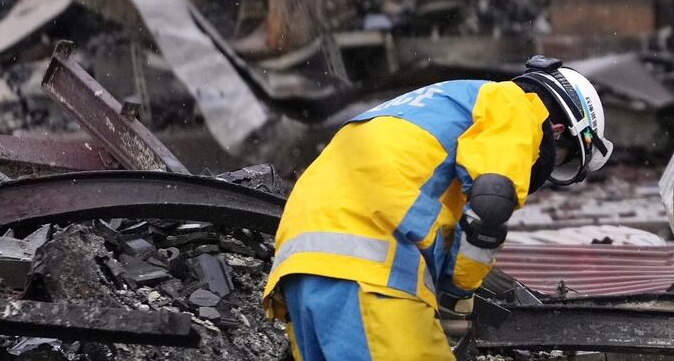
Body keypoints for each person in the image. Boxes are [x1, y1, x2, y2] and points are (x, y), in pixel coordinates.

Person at [263, 57, 616, 360]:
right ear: (558, 131)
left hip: (302, 264)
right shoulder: (515, 107)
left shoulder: (441, 101)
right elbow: (491, 202)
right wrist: (459, 295)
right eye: (563, 159)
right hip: (371, 270)